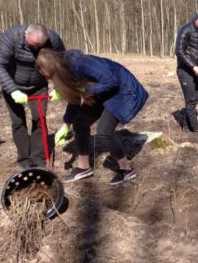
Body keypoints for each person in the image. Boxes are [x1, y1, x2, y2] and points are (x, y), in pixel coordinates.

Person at [36, 49, 148, 184]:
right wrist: (66, 125)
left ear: (54, 68)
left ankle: (126, 170)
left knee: (104, 132)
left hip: (124, 91)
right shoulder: (66, 73)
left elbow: (111, 80)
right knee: (80, 122)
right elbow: (74, 101)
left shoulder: (82, 63)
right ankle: (83, 168)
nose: (50, 80)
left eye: (50, 77)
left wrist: (84, 90)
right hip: (103, 93)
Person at [0, 24, 65, 168]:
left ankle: (39, 158)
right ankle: (24, 160)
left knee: (39, 119)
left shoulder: (53, 40)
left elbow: (61, 63)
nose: (36, 49)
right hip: (13, 84)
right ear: (26, 35)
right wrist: (12, 90)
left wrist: (58, 86)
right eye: (33, 45)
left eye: (40, 46)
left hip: (38, 86)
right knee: (18, 122)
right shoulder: (10, 37)